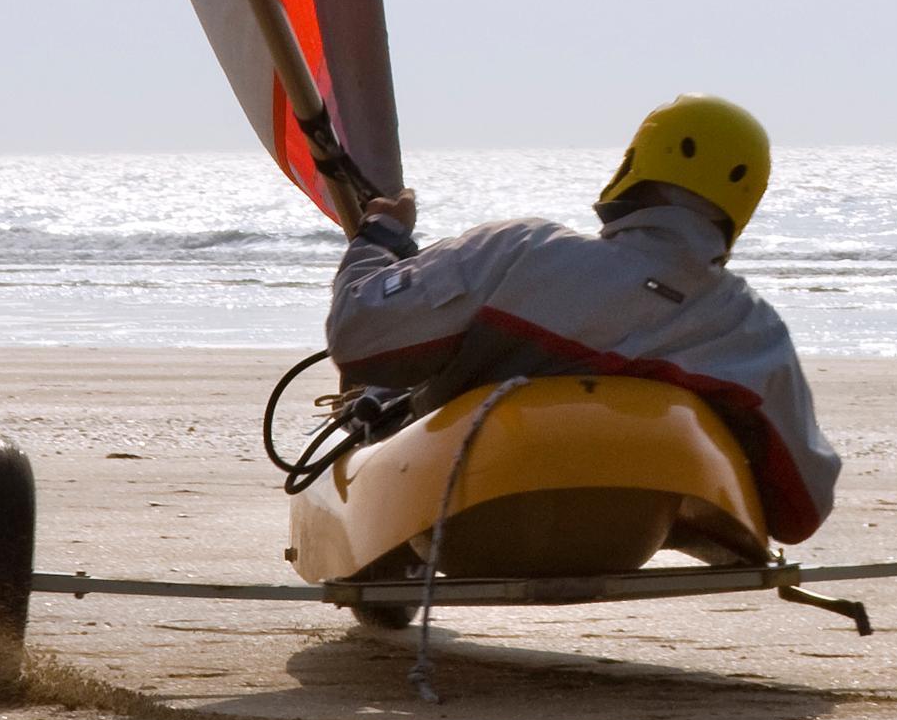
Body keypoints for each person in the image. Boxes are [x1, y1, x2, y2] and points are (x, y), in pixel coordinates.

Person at [322, 95, 839, 542]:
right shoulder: (753, 329)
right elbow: (800, 513)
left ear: (634, 164)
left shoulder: (520, 249)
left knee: (381, 387)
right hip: (639, 521)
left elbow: (356, 337)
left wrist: (379, 241)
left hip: (468, 495)